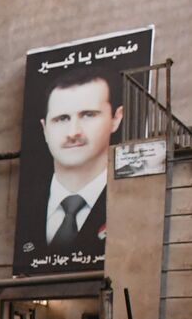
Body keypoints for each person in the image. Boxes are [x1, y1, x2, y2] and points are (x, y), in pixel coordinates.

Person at [19, 69, 124, 268]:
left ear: (116, 118)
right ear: (44, 128)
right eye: (62, 119)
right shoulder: (28, 205)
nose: (73, 132)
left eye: (88, 115)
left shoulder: (129, 200)